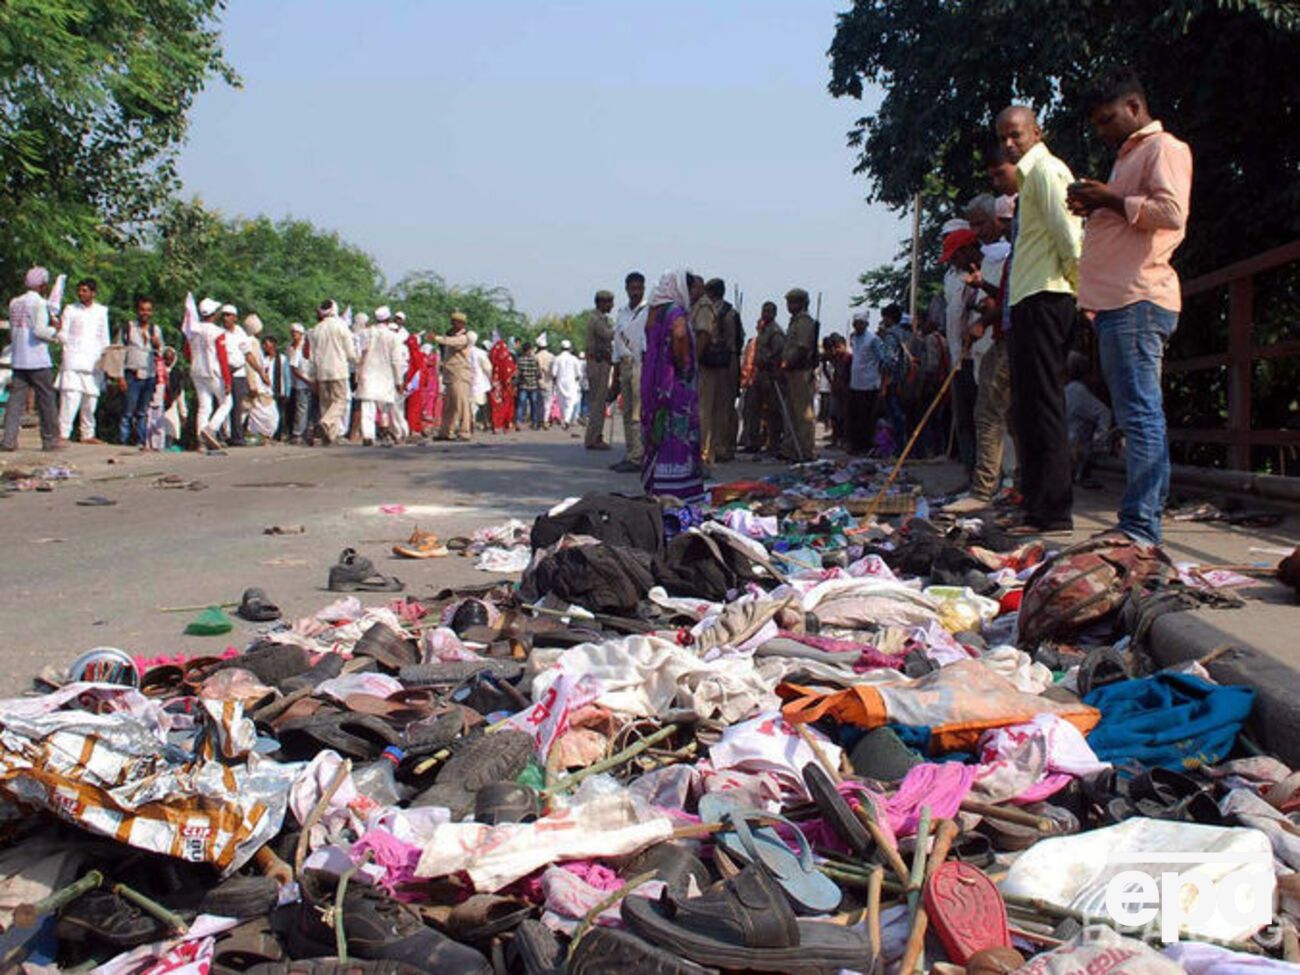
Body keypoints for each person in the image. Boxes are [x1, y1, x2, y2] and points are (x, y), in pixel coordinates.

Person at [1072, 67, 1192, 545]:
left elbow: (1170, 213)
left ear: (1135, 108)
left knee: (1141, 415)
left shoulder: (1164, 149)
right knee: (1137, 413)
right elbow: (1131, 211)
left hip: (1139, 298)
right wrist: (1101, 203)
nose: (1102, 131)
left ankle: (1140, 527)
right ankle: (1140, 521)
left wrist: (1111, 198)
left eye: (1107, 120)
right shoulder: (1129, 158)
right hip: (1119, 303)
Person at [997, 104, 1083, 534]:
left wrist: (1079, 287)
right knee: (1027, 407)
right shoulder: (1028, 179)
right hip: (1029, 298)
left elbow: (1069, 233)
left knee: (1045, 404)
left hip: (1049, 295)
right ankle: (1035, 505)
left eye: (1016, 134)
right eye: (1004, 138)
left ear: (1036, 131)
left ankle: (1053, 511)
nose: (1009, 144)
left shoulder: (1048, 171)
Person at [947, 199, 1016, 513]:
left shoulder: (1003, 255)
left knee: (990, 416)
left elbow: (1003, 304)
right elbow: (998, 297)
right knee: (993, 417)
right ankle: (998, 483)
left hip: (998, 343)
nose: (977, 232)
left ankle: (987, 489)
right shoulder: (991, 262)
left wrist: (983, 320)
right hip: (986, 346)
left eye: (980, 224)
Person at [641, 269, 704, 502]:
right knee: (676, 432)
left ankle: (657, 485)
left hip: (656, 383)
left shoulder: (654, 312)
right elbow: (679, 336)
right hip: (674, 385)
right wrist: (684, 365)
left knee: (658, 429)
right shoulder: (676, 313)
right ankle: (678, 487)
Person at [2, 267, 62, 452]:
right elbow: (39, 331)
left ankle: (8, 440)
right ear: (43, 285)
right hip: (37, 358)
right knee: (46, 400)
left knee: (15, 401)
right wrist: (55, 330)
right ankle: (50, 440)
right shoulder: (40, 304)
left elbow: (14, 329)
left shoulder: (15, 302)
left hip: (19, 357)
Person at [56, 278, 111, 444]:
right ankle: (63, 433)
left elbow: (104, 337)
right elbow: (63, 334)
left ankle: (88, 434)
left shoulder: (101, 311)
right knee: (70, 398)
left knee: (90, 400)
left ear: (93, 293)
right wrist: (58, 333)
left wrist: (105, 358)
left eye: (85, 290)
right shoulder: (70, 309)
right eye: (80, 290)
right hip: (73, 359)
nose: (81, 293)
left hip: (93, 361)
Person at [609, 272, 647, 473]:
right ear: (626, 288)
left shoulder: (648, 311)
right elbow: (617, 342)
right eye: (632, 288)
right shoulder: (622, 312)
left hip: (640, 363)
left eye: (639, 288)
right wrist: (615, 376)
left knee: (637, 414)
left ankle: (638, 456)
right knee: (626, 411)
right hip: (623, 363)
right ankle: (630, 451)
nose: (636, 292)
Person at [704, 278, 742, 463]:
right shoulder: (722, 309)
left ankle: (722, 446)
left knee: (723, 405)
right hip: (721, 360)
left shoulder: (724, 312)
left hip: (724, 361)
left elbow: (731, 340)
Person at [310, 299, 358, 445]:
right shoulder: (341, 326)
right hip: (338, 370)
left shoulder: (316, 329)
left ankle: (329, 436)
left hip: (321, 371)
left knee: (326, 404)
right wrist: (358, 361)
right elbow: (350, 353)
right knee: (340, 401)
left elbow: (312, 356)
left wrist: (313, 377)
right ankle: (325, 423)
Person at [204, 304, 253, 447]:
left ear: (235, 318)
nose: (225, 318)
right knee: (219, 404)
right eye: (223, 315)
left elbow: (248, 354)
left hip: (238, 374)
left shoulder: (240, 333)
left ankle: (237, 437)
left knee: (237, 407)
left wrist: (261, 372)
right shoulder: (218, 332)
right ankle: (217, 435)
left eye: (228, 315)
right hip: (220, 373)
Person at [780, 287, 819, 462]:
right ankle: (792, 448)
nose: (790, 305)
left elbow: (802, 348)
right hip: (792, 372)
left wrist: (788, 363)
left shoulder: (804, 321)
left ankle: (805, 449)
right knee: (792, 411)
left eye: (793, 301)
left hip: (800, 370)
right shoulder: (794, 321)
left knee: (803, 413)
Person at [355, 307, 403, 445]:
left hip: (368, 372)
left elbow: (361, 353)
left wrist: (359, 373)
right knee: (386, 406)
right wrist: (399, 380)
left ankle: (368, 435)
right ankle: (388, 431)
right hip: (385, 375)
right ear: (388, 320)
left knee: (368, 405)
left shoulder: (366, 333)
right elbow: (396, 360)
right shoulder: (393, 336)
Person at [118, 296, 162, 446]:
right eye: (143, 309)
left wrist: (157, 346)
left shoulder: (155, 329)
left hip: (149, 375)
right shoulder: (129, 328)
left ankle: (141, 441)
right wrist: (120, 377)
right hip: (132, 374)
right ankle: (123, 441)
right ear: (138, 311)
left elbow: (161, 353)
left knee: (142, 412)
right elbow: (119, 353)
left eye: (148, 310)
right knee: (128, 412)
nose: (145, 313)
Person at [1065, 351, 1112, 487]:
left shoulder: (1064, 391)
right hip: (1076, 445)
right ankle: (1080, 473)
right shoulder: (1078, 392)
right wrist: (1099, 439)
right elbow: (1105, 413)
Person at [184, 297, 226, 447]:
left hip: (196, 370)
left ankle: (200, 439)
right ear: (214, 314)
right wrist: (227, 380)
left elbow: (187, 351)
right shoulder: (218, 332)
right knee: (227, 402)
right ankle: (211, 428)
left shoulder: (193, 330)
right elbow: (222, 357)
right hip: (213, 371)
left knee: (204, 406)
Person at [690, 276, 721, 469]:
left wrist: (693, 359)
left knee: (703, 410)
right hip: (698, 364)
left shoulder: (703, 306)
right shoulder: (694, 305)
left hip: (703, 364)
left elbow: (704, 334)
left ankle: (704, 453)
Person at [746, 301, 785, 455]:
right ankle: (753, 441)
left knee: (773, 411)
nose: (765, 314)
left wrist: (769, 365)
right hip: (759, 373)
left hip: (770, 374)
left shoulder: (775, 331)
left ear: (774, 313)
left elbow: (777, 353)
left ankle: (774, 443)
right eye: (764, 311)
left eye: (769, 311)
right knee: (752, 408)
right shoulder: (763, 330)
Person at [434, 311, 473, 441]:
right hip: (450, 374)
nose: (452, 324)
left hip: (460, 374)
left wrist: (437, 338)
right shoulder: (449, 334)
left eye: (455, 322)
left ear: (461, 324)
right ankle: (445, 431)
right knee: (449, 405)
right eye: (452, 321)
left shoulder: (465, 337)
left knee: (461, 404)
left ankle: (464, 431)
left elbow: (453, 342)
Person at [584, 290, 615, 450]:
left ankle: (594, 436)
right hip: (598, 363)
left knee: (597, 402)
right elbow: (608, 335)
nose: (612, 306)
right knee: (598, 403)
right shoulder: (596, 320)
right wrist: (623, 328)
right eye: (610, 302)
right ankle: (594, 437)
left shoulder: (598, 318)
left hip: (599, 362)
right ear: (602, 302)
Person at [847, 310, 881, 454]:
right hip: (855, 383)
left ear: (866, 324)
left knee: (867, 418)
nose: (857, 326)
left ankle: (866, 446)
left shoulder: (873, 339)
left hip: (870, 384)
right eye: (855, 324)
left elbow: (882, 359)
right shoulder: (854, 338)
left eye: (860, 323)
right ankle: (856, 445)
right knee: (855, 417)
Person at [146, 346, 185, 451]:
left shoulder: (177, 373)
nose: (168, 361)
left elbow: (180, 394)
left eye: (171, 359)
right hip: (155, 404)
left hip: (171, 407)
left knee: (169, 429)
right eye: (166, 358)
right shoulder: (155, 370)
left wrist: (183, 413)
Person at [286, 323, 315, 444]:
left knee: (309, 409)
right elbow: (294, 368)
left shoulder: (309, 348)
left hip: (310, 383)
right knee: (302, 409)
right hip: (301, 384)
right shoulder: (296, 349)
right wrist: (307, 380)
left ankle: (307, 432)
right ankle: (297, 433)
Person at [262, 336, 291, 439]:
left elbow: (287, 376)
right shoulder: (264, 359)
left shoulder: (282, 359)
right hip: (266, 391)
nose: (265, 346)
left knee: (279, 413)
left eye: (267, 344)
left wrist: (287, 392)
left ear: (273, 345)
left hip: (279, 390)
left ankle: (278, 434)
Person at [551, 338, 582, 428]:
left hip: (560, 382)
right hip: (571, 382)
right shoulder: (574, 359)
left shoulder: (557, 358)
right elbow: (579, 373)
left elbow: (554, 373)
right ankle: (567, 420)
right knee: (570, 402)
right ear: (570, 348)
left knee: (561, 401)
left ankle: (563, 419)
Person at [488, 336, 516, 433]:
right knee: (507, 404)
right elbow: (511, 371)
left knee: (495, 405)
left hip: (495, 385)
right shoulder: (507, 357)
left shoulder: (492, 357)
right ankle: (506, 425)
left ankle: (495, 425)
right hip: (506, 386)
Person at [403, 330, 427, 439]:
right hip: (414, 383)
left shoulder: (406, 351)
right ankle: (413, 428)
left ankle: (414, 427)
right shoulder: (417, 354)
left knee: (412, 407)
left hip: (411, 382)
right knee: (414, 407)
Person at [515, 341, 543, 429]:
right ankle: (534, 422)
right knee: (534, 405)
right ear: (530, 349)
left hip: (523, 385)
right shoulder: (535, 359)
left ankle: (519, 422)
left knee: (521, 405)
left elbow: (517, 373)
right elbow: (539, 374)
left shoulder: (520, 360)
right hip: (534, 385)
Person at [469, 334, 492, 431]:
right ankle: (485, 422)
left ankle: (471, 421)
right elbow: (488, 368)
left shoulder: (461, 352)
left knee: (470, 405)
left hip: (467, 382)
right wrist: (489, 377)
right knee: (483, 404)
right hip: (480, 382)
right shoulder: (480, 353)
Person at [534, 335, 554, 428]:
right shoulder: (551, 356)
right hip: (548, 381)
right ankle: (545, 420)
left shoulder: (536, 356)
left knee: (539, 402)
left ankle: (538, 420)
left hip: (538, 381)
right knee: (548, 402)